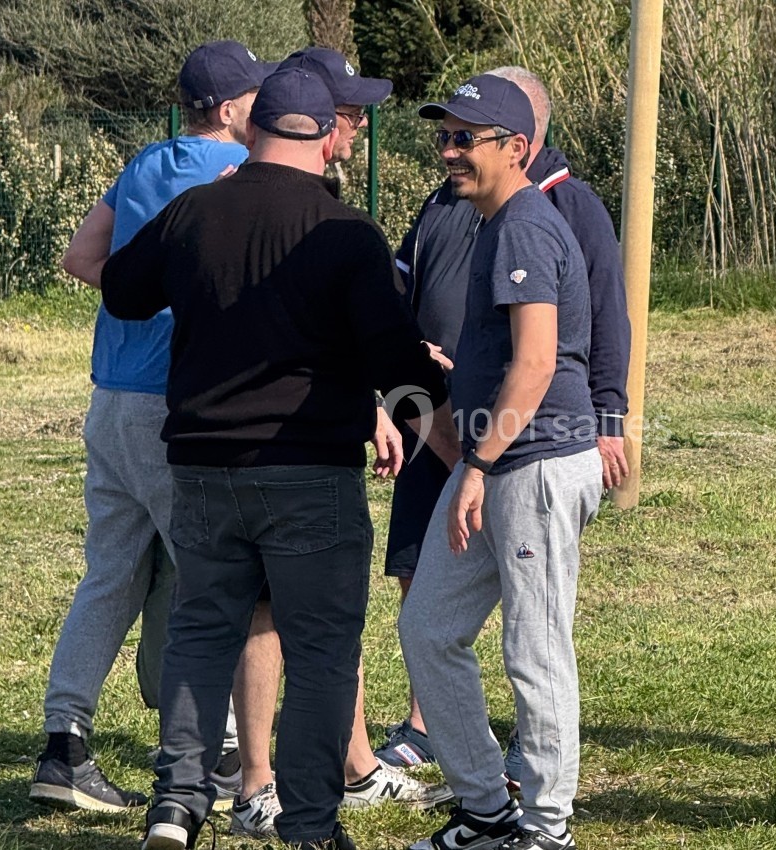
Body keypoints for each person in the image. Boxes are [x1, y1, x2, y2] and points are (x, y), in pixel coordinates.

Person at [101, 67, 461, 850]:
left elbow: (124, 291)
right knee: (322, 651)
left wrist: (186, 222)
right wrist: (445, 407)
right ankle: (308, 825)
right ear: (326, 136)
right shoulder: (345, 232)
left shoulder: (196, 209)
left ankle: (177, 803)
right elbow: (396, 365)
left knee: (202, 631)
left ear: (252, 126)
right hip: (308, 473)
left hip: (200, 468)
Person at [31, 39, 273, 814]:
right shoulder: (232, 177)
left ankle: (62, 745)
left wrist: (145, 291)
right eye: (257, 98)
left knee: (112, 575)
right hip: (179, 404)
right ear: (233, 108)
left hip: (112, 398)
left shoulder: (145, 164)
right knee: (217, 577)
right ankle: (228, 752)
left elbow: (80, 257)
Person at [219, 46, 453, 841]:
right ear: (312, 118)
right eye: (349, 110)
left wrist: (378, 411)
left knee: (289, 617)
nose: (359, 123)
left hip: (251, 448)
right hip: (289, 458)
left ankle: (335, 767)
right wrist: (441, 429)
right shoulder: (315, 216)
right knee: (297, 621)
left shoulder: (273, 199)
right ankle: (277, 789)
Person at [376, 66, 631, 785]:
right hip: (487, 452)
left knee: (535, 648)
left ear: (518, 146)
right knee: (428, 628)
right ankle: (486, 802)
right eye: (445, 137)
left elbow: (539, 364)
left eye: (467, 138)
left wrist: (478, 466)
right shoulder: (480, 218)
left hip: (532, 463)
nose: (450, 150)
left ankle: (545, 822)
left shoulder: (531, 222)